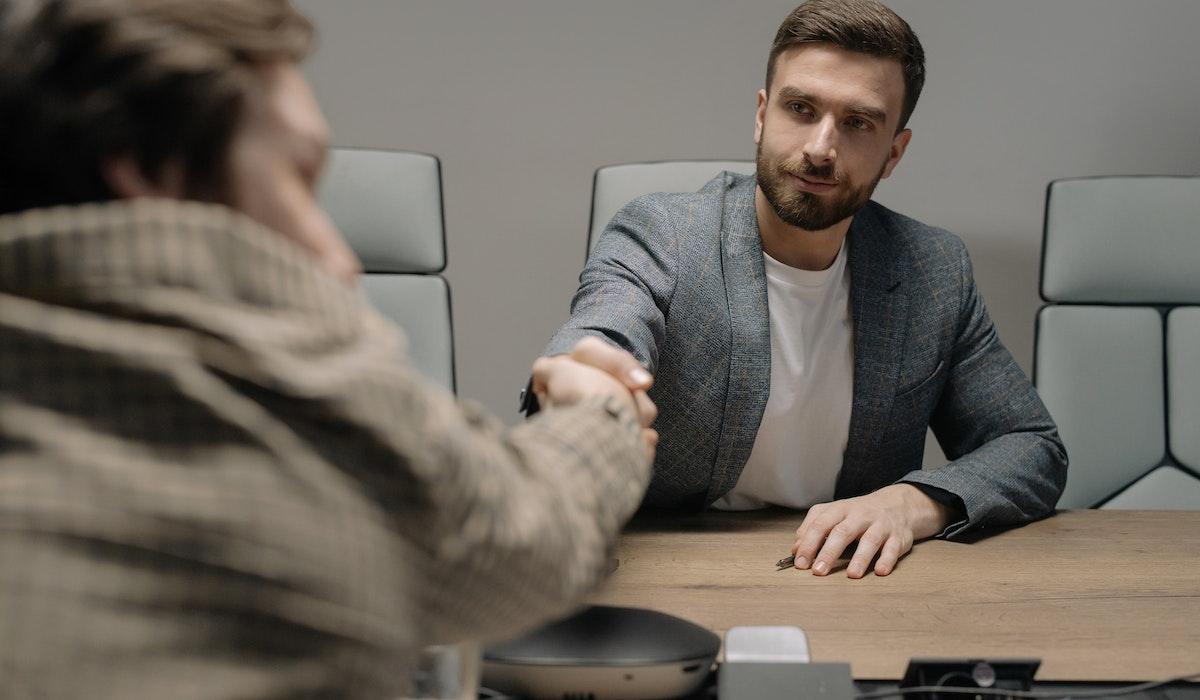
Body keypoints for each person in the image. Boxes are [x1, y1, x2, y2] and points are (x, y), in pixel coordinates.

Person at [0, 1, 656, 697]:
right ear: (151, 168)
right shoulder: (305, 395)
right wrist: (604, 409)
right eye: (299, 177)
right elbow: (531, 532)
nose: (341, 261)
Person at [545, 0, 1067, 580]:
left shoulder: (933, 270)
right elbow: (603, 335)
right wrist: (586, 382)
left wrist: (911, 502)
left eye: (858, 123)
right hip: (666, 575)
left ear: (894, 151)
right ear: (762, 115)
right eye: (801, 108)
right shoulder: (662, 234)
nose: (821, 147)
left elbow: (1030, 445)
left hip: (851, 582)